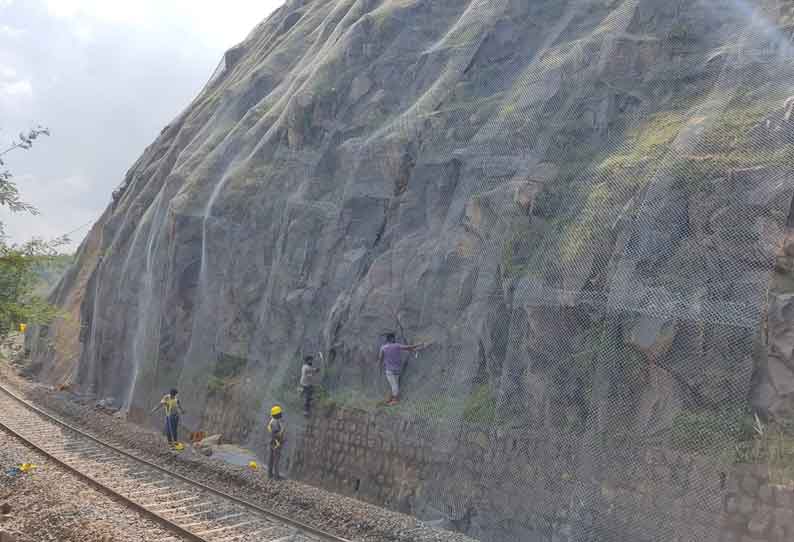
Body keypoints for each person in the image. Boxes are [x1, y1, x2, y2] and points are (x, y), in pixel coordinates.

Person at [378, 333, 424, 405]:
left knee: (394, 385)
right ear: (392, 339)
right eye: (394, 338)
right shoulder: (397, 345)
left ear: (387, 339)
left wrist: (380, 365)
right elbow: (409, 347)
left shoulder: (383, 347)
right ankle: (392, 398)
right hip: (398, 369)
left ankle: (395, 400)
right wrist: (418, 345)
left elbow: (380, 358)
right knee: (395, 384)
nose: (395, 339)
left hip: (389, 370)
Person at [267, 405, 286, 480]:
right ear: (277, 415)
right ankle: (276, 476)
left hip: (272, 442)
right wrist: (278, 442)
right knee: (276, 460)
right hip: (276, 443)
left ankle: (269, 474)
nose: (281, 414)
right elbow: (275, 434)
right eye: (280, 413)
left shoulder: (272, 421)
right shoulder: (275, 423)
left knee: (271, 459)